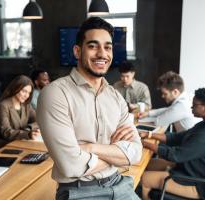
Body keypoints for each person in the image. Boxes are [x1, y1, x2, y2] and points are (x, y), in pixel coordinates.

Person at [37, 17, 142, 200]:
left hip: (119, 184)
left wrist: (89, 147)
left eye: (108, 47)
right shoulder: (55, 94)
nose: (102, 54)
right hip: (80, 192)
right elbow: (71, 165)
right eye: (93, 46)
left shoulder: (116, 97)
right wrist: (115, 152)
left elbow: (135, 153)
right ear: (77, 51)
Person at [140, 87, 205, 200]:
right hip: (191, 168)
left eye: (195, 105)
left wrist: (146, 144)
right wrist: (149, 135)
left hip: (197, 183)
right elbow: (178, 137)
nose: (191, 107)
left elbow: (175, 155)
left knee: (145, 179)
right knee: (149, 164)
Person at [0, 75, 41, 141]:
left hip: (22, 141)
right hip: (6, 144)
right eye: (24, 91)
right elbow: (6, 132)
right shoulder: (3, 106)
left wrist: (29, 128)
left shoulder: (26, 105)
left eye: (29, 93)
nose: (27, 96)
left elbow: (38, 120)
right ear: (16, 88)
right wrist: (27, 134)